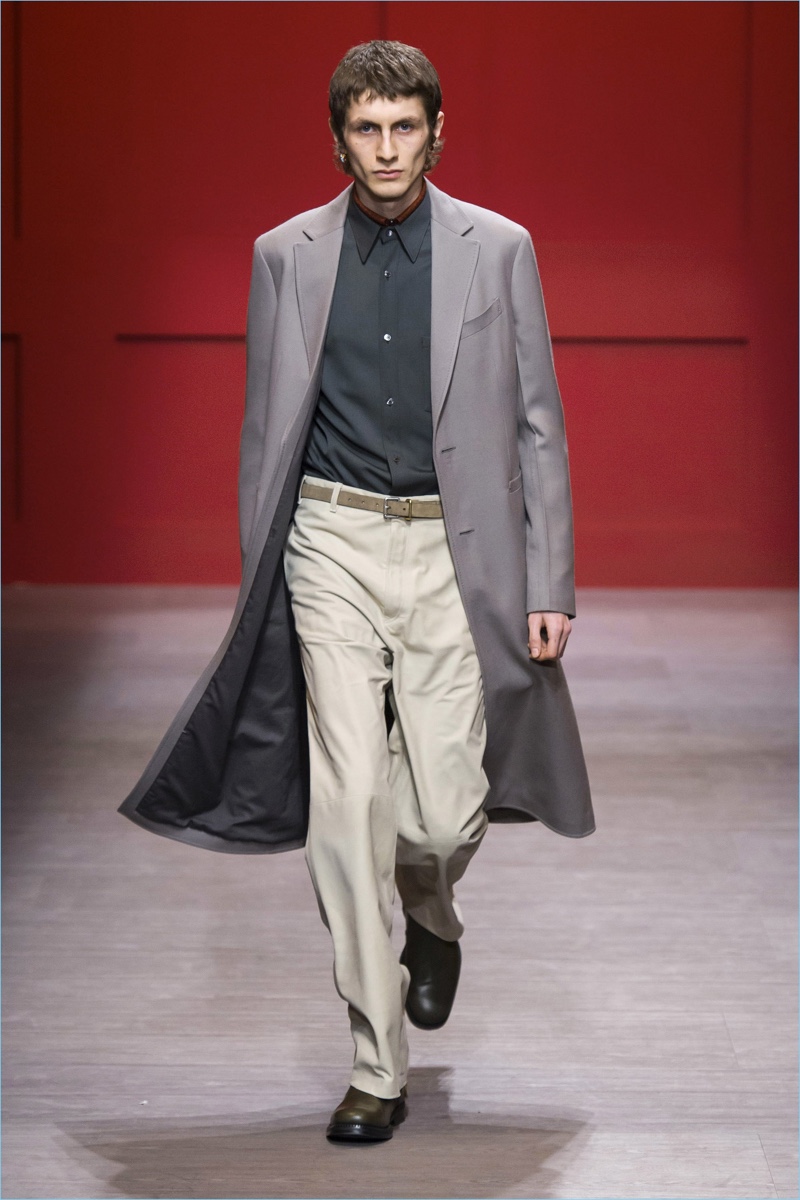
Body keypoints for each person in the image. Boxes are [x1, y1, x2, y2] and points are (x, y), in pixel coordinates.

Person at [119, 39, 594, 1144]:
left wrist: (550, 579)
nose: (386, 149)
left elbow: (538, 422)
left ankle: (433, 918)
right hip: (329, 542)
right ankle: (376, 1065)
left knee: (439, 814)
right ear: (337, 139)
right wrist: (263, 578)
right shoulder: (282, 255)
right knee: (344, 808)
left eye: (404, 127)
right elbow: (264, 429)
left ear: (436, 133)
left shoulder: (499, 249)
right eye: (367, 129)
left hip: (454, 555)